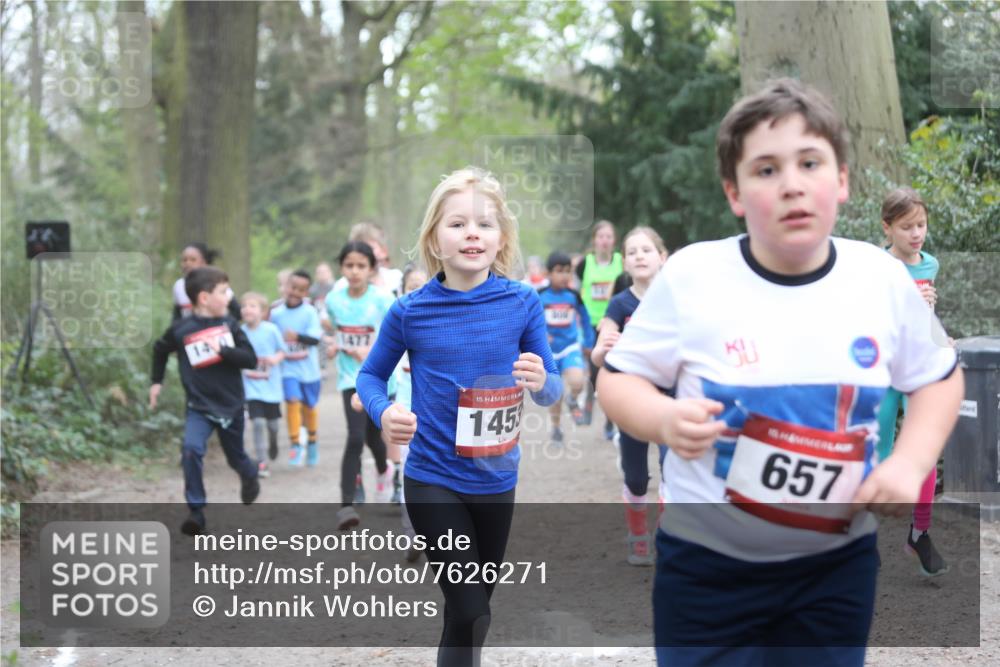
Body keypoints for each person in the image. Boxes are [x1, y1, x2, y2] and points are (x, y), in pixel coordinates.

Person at [597, 79, 963, 667]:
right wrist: (662, 417)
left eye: (810, 162)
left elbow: (940, 379)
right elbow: (618, 380)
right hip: (707, 566)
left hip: (836, 566)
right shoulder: (692, 276)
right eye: (765, 169)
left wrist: (910, 463)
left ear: (841, 180)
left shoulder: (880, 279)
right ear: (733, 192)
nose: (791, 182)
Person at [357, 167, 561, 666]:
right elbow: (369, 378)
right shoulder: (409, 311)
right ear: (434, 239)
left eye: (485, 224)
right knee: (470, 609)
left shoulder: (522, 303)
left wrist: (540, 380)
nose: (472, 232)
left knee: (471, 611)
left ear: (502, 239)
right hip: (432, 479)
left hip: (496, 478)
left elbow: (551, 388)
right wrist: (385, 413)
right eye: (457, 224)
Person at [150, 266, 261, 535]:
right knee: (191, 449)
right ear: (204, 298)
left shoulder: (230, 325)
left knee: (236, 459)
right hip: (199, 406)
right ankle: (196, 512)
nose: (229, 297)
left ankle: (249, 474)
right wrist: (156, 381)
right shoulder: (181, 329)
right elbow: (160, 349)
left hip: (231, 405)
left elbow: (250, 359)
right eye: (224, 292)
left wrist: (223, 350)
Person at [876, 186, 948, 576]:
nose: (917, 233)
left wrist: (938, 333)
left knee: (926, 449)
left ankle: (919, 533)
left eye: (921, 224)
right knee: (878, 453)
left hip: (918, 367)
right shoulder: (876, 267)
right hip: (884, 370)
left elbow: (926, 317)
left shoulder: (930, 264)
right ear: (887, 229)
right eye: (907, 227)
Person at [591, 226, 669, 566]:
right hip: (632, 401)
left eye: (646, 250)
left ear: (662, 258)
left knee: (674, 471)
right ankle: (638, 536)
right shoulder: (620, 304)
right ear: (625, 263)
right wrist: (604, 348)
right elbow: (598, 353)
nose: (639, 255)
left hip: (670, 398)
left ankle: (667, 539)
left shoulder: (675, 299)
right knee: (637, 477)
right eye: (632, 251)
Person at [326, 241, 396, 530]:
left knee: (373, 437)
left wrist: (374, 350)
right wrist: (334, 345)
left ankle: (383, 469)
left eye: (361, 266)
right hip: (349, 378)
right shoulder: (334, 299)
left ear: (371, 269)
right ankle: (346, 505)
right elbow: (335, 331)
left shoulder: (383, 299)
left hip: (380, 377)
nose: (354, 272)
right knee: (355, 437)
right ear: (341, 268)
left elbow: (395, 336)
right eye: (349, 265)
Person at [537, 251, 594, 443]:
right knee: (555, 394)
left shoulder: (573, 296)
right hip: (549, 351)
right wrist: (539, 334)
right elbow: (529, 320)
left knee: (578, 381)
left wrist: (588, 341)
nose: (564, 276)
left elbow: (585, 318)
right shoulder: (540, 296)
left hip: (570, 347)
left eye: (568, 271)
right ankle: (556, 427)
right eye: (559, 271)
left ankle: (573, 399)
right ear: (548, 273)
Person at [269, 270, 323, 467]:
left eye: (301, 290)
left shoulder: (310, 312)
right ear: (286, 286)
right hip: (288, 369)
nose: (295, 292)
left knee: (309, 407)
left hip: (309, 370)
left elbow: (316, 339)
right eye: (292, 287)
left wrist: (297, 337)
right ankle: (295, 443)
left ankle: (312, 441)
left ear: (306, 292)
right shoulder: (276, 314)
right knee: (292, 401)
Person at [576, 220, 623, 437]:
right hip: (592, 325)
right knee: (595, 371)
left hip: (615, 323)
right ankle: (589, 401)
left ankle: (611, 420)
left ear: (614, 241)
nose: (604, 241)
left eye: (609, 236)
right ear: (594, 239)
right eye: (601, 236)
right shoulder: (584, 264)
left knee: (614, 370)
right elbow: (578, 292)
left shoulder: (621, 263)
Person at [239, 292, 286, 478]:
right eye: (244, 306)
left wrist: (274, 359)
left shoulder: (271, 330)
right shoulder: (240, 332)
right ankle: (262, 461)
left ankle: (273, 441)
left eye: (252, 306)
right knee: (257, 423)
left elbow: (282, 351)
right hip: (250, 387)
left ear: (263, 311)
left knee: (273, 425)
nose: (247, 309)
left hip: (271, 387)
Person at [172, 243, 240, 321]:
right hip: (190, 331)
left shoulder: (216, 284)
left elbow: (236, 312)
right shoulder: (179, 286)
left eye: (193, 260)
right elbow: (177, 314)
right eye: (184, 260)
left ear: (204, 262)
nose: (187, 263)